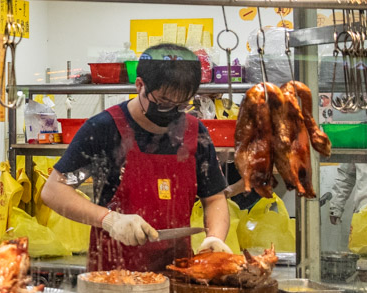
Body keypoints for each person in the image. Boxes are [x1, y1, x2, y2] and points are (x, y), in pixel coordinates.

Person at [40, 44, 232, 271]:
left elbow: (214, 199)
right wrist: (109, 220)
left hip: (178, 276)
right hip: (115, 275)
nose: (172, 112)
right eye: (163, 103)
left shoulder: (194, 132)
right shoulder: (104, 129)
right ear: (140, 85)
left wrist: (215, 238)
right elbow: (55, 191)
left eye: (182, 104)